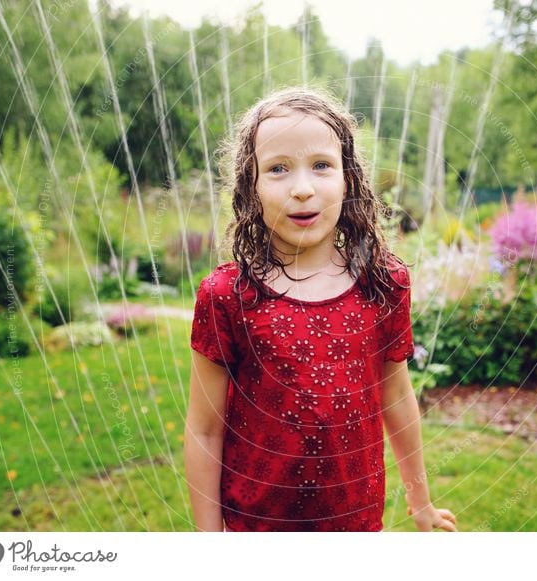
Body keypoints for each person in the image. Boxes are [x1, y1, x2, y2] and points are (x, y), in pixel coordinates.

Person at [184, 86, 457, 532]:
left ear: (347, 177)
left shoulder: (382, 284)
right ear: (250, 188)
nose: (303, 189)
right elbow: (205, 430)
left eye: (321, 166)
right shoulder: (227, 295)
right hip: (255, 528)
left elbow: (398, 398)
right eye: (277, 169)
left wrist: (420, 501)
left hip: (355, 526)